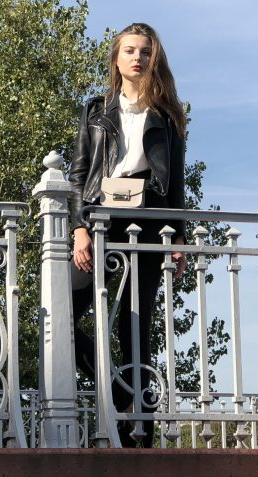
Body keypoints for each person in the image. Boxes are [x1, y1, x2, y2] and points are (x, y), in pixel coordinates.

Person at [69, 22, 187, 448]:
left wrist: (177, 238)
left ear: (154, 59)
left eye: (145, 52)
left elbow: (175, 186)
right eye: (130, 50)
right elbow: (80, 173)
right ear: (117, 59)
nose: (137, 58)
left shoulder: (169, 117)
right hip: (101, 220)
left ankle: (140, 427)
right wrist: (80, 227)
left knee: (134, 326)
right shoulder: (96, 110)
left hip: (149, 221)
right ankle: (120, 391)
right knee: (63, 314)